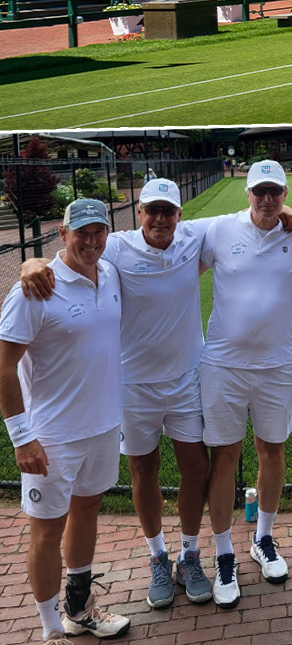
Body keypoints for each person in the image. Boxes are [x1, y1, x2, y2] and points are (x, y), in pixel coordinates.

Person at [17, 179, 292, 610]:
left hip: (186, 377)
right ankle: (158, 557)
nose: (161, 219)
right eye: (152, 210)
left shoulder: (195, 236)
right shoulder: (116, 247)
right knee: (144, 470)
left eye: (169, 211)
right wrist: (31, 263)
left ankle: (189, 554)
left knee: (196, 467)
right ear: (139, 213)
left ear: (180, 215)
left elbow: (261, 215)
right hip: (131, 384)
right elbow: (71, 251)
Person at [0, 200, 132, 642]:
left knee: (87, 510)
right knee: (45, 530)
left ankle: (79, 610)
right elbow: (3, 368)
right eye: (83, 233)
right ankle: (50, 628)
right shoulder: (34, 288)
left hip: (102, 425)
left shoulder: (110, 273)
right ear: (62, 233)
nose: (92, 242)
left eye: (100, 232)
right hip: (52, 436)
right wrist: (22, 437)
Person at [199, 161, 292, 607]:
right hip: (223, 364)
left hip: (277, 364)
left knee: (272, 450)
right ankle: (224, 553)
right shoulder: (218, 230)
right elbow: (157, 242)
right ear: (247, 193)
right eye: (259, 191)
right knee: (224, 457)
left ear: (284, 194)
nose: (267, 199)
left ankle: (263, 538)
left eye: (275, 192)